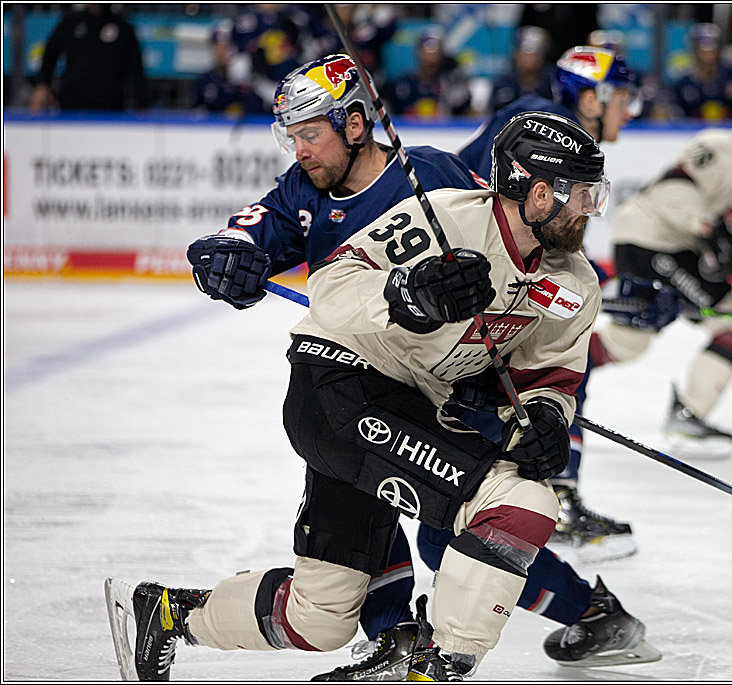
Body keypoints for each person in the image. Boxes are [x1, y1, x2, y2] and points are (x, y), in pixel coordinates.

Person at [104, 57, 656, 681]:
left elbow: (548, 363)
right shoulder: (347, 195)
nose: (300, 149)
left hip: (410, 400)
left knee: (321, 616)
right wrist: (403, 292)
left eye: (309, 132)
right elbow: (305, 265)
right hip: (347, 381)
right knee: (505, 502)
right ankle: (431, 658)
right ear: (536, 192)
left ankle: (168, 615)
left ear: (356, 122)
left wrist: (546, 414)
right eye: (294, 135)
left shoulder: (444, 185)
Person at [458, 45, 640, 558]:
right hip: (479, 281)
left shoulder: (560, 133)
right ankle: (544, 498)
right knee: (551, 376)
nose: (630, 110)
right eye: (621, 97)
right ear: (590, 97)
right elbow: (479, 197)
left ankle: (550, 495)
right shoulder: (541, 126)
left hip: (495, 274)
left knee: (560, 374)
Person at [588, 86, 732, 458]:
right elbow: (675, 190)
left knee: (629, 342)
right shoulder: (720, 148)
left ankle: (551, 375)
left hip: (680, 248)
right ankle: (687, 412)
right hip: (649, 239)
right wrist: (708, 230)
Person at [28, 4, 148, 112]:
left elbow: (137, 71)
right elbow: (49, 56)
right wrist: (42, 84)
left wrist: (142, 103)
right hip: (71, 109)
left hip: (110, 112)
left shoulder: (124, 29)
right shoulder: (71, 22)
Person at [668, 23, 732, 121]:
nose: (708, 56)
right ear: (695, 51)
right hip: (693, 133)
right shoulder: (682, 84)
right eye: (703, 51)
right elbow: (676, 118)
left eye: (712, 49)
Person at [383, 28, 471, 118]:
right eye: (426, 50)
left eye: (435, 51)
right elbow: (389, 112)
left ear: (441, 54)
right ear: (418, 52)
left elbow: (464, 112)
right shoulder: (402, 85)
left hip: (443, 130)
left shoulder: (449, 84)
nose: (430, 57)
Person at [488, 26, 554, 113]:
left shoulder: (554, 81)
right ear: (516, 54)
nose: (529, 59)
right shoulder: (503, 83)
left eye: (535, 54)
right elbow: (495, 114)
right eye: (525, 54)